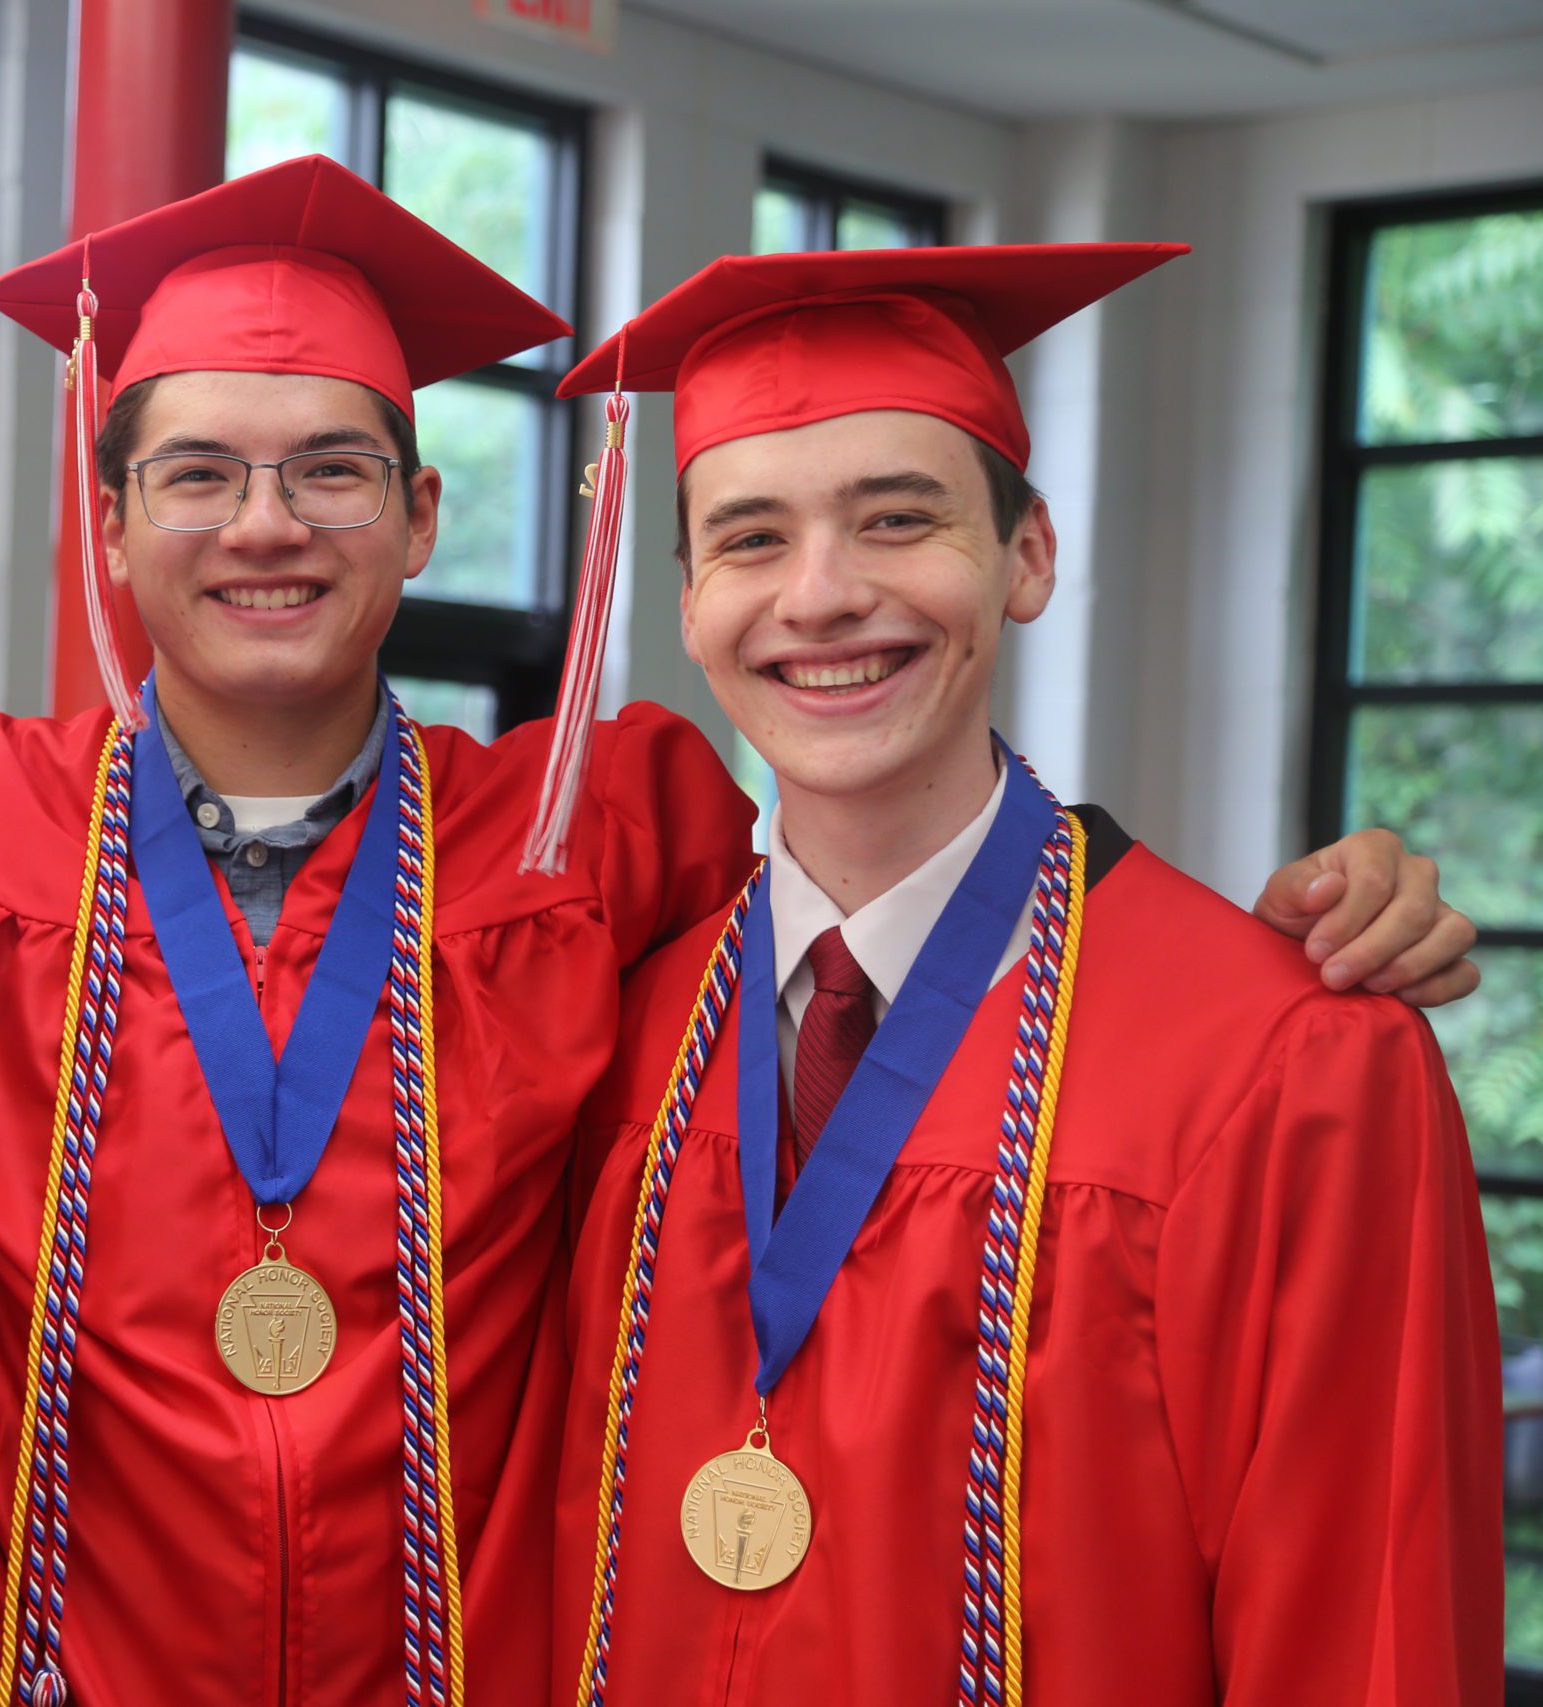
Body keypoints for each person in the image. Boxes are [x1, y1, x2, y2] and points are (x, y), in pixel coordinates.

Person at [0, 164, 1478, 1707]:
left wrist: (1298, 926)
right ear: (102, 519)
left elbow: (924, 889)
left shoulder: (593, 834)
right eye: (197, 472)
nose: (266, 522)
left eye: (330, 464)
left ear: (423, 509)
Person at [545, 243, 1501, 1707]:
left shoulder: (1285, 1063)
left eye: (898, 518)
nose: (821, 594)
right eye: (748, 539)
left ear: (1029, 556)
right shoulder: (610, 1028)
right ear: (685, 603)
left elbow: (1361, 1633)